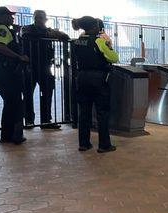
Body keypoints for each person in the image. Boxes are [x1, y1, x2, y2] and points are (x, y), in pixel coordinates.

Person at [72, 16, 118, 153]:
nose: (99, 27)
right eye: (97, 25)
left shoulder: (77, 42)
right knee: (102, 112)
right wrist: (109, 47)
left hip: (82, 77)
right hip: (98, 78)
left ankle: (84, 144)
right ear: (93, 27)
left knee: (84, 112)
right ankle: (104, 145)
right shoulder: (99, 41)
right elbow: (114, 58)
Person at [21, 10, 69, 129]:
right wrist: (50, 34)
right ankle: (29, 121)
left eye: (42, 17)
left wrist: (55, 32)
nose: (39, 19)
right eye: (37, 17)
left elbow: (65, 37)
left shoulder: (48, 30)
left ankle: (46, 120)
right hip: (30, 67)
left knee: (47, 94)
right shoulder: (27, 29)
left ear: (45, 19)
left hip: (44, 67)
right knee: (28, 95)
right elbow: (26, 36)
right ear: (34, 18)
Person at [0, 7, 28, 144]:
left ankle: (7, 135)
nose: (12, 18)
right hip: (7, 72)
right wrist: (19, 56)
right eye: (9, 16)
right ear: (1, 17)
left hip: (2, 71)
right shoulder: (1, 29)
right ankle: (15, 136)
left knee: (10, 103)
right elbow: (0, 45)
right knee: (15, 103)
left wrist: (14, 33)